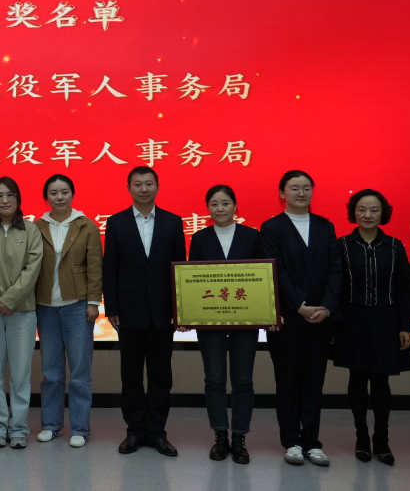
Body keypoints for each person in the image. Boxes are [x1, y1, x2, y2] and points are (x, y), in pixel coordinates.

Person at [102, 165, 186, 457]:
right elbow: (110, 267)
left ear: (157, 187)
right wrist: (111, 307)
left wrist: (180, 309)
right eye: (137, 184)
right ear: (129, 189)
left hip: (163, 312)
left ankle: (157, 432)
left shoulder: (173, 222)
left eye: (149, 183)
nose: (143, 189)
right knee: (131, 376)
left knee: (161, 376)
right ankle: (135, 431)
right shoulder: (116, 222)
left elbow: (179, 268)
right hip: (129, 311)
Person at [260, 170, 342, 467]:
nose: (301, 193)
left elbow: (335, 269)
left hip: (321, 318)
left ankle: (313, 442)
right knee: (287, 380)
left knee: (313, 381)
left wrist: (327, 307)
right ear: (282, 193)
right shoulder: (272, 227)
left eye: (307, 187)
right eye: (294, 188)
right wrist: (300, 305)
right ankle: (291, 441)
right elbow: (276, 270)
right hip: (287, 319)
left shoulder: (325, 226)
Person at [333, 189, 410, 466]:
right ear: (353, 212)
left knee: (381, 381)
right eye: (362, 209)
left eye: (374, 210)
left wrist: (405, 325)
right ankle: (361, 438)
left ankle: (382, 441)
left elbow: (405, 287)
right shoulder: (342, 245)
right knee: (357, 380)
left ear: (383, 214)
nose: (367, 215)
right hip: (352, 319)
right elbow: (334, 287)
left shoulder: (394, 246)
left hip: (386, 319)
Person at [185, 184, 264, 465]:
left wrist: (268, 313)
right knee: (215, 380)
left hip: (245, 321)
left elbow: (263, 276)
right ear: (208, 208)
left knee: (243, 381)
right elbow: (192, 281)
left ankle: (239, 438)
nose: (220, 208)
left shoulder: (252, 236)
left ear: (235, 207)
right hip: (211, 322)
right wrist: (187, 314)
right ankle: (220, 436)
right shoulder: (200, 238)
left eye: (225, 203)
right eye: (214, 204)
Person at [33, 174, 102, 449]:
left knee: (80, 372)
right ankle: (51, 425)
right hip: (45, 307)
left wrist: (93, 302)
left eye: (64, 192)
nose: (59, 197)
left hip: (77, 306)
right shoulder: (36, 227)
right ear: (46, 197)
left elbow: (95, 266)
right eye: (53, 193)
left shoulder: (87, 225)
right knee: (51, 372)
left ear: (72, 194)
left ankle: (80, 428)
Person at [0, 176, 43, 449]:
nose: (5, 200)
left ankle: (19, 429)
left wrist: (11, 300)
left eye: (10, 195)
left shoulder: (31, 230)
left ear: (18, 199)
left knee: (20, 373)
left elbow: (33, 268)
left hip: (22, 311)